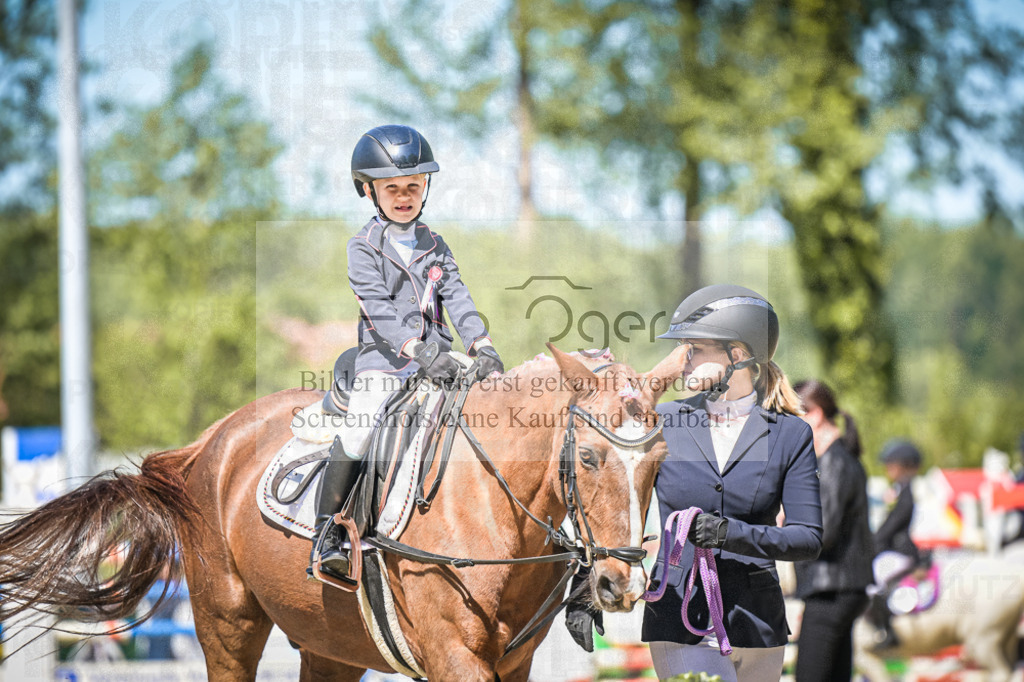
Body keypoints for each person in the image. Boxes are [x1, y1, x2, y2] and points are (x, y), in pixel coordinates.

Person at [566, 284, 822, 682]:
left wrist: (728, 533)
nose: (680, 361)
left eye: (694, 350)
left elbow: (807, 539)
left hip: (758, 624)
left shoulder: (791, 435)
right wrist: (584, 589)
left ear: (737, 355)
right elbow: (613, 504)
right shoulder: (661, 424)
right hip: (680, 620)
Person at [310, 125, 504, 580]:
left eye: (413, 186)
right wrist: (415, 349)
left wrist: (483, 346)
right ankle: (327, 535)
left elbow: (458, 298)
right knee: (359, 433)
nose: (404, 196)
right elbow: (377, 308)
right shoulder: (362, 247)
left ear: (425, 188)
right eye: (392, 188)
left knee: (493, 412)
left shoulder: (436, 245)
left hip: (439, 359)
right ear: (369, 190)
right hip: (385, 362)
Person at [791, 380, 873, 682]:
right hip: (840, 588)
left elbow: (820, 533)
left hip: (830, 590)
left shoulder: (833, 463)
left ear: (814, 415)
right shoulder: (840, 459)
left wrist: (783, 525)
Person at [865, 439, 923, 649]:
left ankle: (887, 631)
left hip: (901, 551)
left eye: (892, 464)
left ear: (904, 465)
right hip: (896, 549)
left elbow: (893, 523)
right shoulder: (901, 490)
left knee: (874, 580)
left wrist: (874, 540)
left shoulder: (906, 493)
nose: (888, 468)